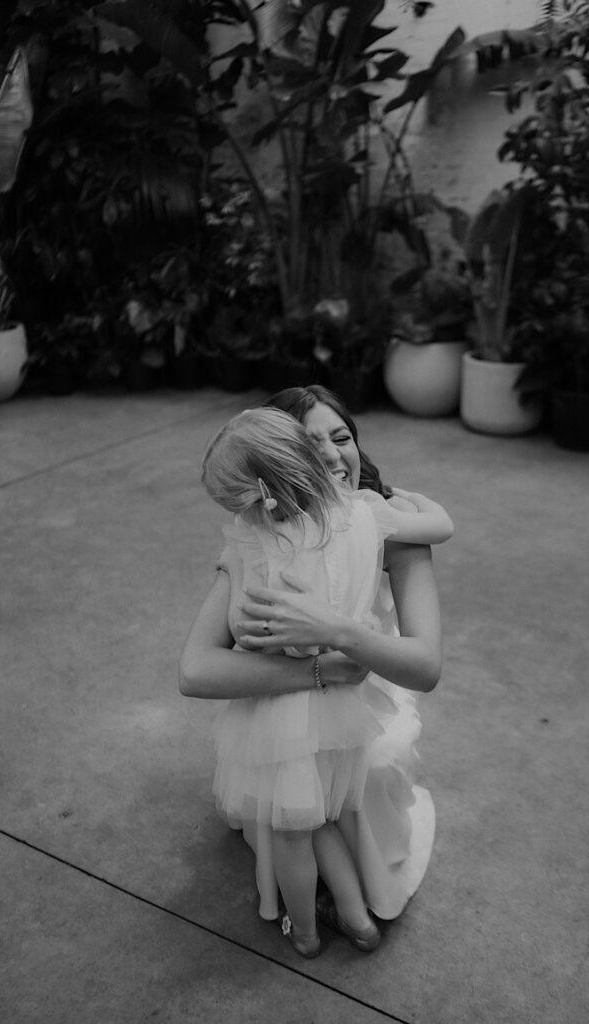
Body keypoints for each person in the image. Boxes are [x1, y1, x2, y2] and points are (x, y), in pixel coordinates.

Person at [180, 386, 446, 954]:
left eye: (341, 436)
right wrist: (322, 668)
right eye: (309, 442)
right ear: (281, 467)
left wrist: (337, 632)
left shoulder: (386, 524)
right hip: (321, 685)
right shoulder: (262, 536)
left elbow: (424, 668)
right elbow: (197, 670)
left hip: (376, 681)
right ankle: (342, 910)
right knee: (308, 795)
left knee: (353, 773)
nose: (329, 454)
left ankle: (319, 916)